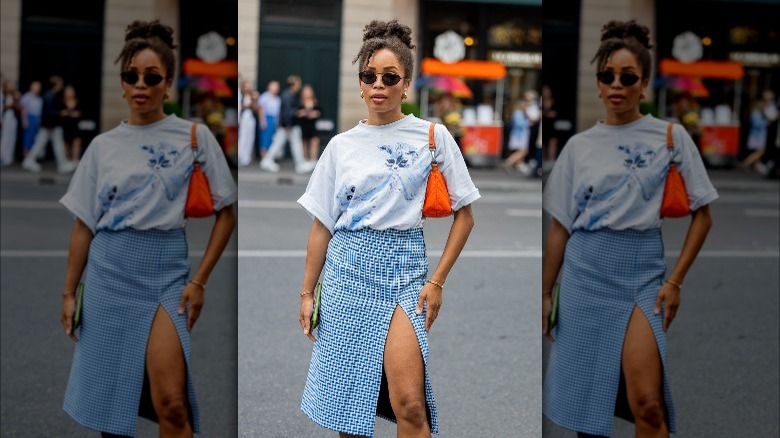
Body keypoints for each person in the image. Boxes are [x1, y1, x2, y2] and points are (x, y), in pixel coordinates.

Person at [297, 19, 479, 437]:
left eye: (390, 77)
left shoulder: (432, 137)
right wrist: (307, 292)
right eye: (369, 76)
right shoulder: (340, 147)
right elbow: (321, 225)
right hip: (347, 276)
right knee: (349, 413)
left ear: (407, 83)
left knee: (411, 406)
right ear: (360, 83)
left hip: (405, 275)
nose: (379, 84)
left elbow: (465, 215)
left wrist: (437, 281)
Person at [59, 20, 237, 437]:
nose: (140, 84)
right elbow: (84, 225)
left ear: (169, 83)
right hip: (107, 275)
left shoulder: (194, 136)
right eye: (131, 75)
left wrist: (200, 281)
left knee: (172, 403)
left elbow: (226, 212)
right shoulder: (102, 147)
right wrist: (69, 292)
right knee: (110, 407)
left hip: (165, 274)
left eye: (152, 77)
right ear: (122, 82)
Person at [541, 20, 717, 438]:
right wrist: (545, 292)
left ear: (644, 84)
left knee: (649, 405)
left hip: (642, 274)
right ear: (598, 83)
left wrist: (675, 281)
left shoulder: (671, 137)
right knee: (587, 413)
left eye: (627, 77)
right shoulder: (579, 147)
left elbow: (704, 214)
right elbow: (559, 229)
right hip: (585, 276)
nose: (616, 85)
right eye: (607, 76)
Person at [259, 75, 315, 173]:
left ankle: (298, 163)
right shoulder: (288, 95)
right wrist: (293, 118)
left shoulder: (290, 95)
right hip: (289, 125)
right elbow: (286, 112)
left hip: (289, 125)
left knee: (285, 143)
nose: (299, 85)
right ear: (293, 84)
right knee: (286, 144)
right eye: (298, 83)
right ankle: (268, 160)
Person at [22, 75, 77, 173]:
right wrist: (60, 113)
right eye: (60, 83)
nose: (61, 85)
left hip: (51, 125)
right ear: (55, 84)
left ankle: (61, 163)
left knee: (50, 143)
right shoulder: (49, 95)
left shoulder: (51, 95)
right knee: (44, 143)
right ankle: (30, 160)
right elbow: (47, 112)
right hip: (50, 125)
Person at [296, 84, 322, 161]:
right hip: (303, 125)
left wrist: (315, 114)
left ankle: (313, 159)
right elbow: (297, 113)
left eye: (309, 92)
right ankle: (304, 160)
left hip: (312, 125)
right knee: (304, 143)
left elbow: (320, 112)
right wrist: (302, 113)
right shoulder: (300, 102)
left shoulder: (315, 102)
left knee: (314, 141)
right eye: (306, 92)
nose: (307, 94)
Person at [504, 99, 531, 174]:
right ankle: (509, 161)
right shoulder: (518, 113)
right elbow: (519, 124)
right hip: (519, 135)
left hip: (521, 135)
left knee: (520, 151)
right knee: (523, 151)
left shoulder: (521, 113)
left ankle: (518, 165)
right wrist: (527, 121)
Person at [258, 80, 281, 159]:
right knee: (265, 138)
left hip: (274, 119)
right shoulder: (264, 96)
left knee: (272, 138)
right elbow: (261, 109)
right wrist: (262, 121)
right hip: (267, 118)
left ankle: (269, 157)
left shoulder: (277, 98)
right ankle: (264, 156)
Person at [60, 84, 83, 161]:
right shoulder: (62, 102)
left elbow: (81, 112)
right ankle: (67, 160)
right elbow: (59, 113)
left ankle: (75, 159)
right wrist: (64, 113)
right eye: (68, 92)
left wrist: (76, 114)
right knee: (66, 143)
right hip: (66, 125)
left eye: (71, 92)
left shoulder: (77, 101)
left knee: (77, 142)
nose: (69, 93)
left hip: (75, 125)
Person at [1, 79, 21, 167]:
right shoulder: (3, 94)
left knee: (12, 137)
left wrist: (15, 101)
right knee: (5, 138)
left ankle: (8, 158)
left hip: (12, 117)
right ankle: (3, 157)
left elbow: (18, 107)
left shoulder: (14, 95)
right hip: (6, 117)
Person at [237, 78, 257, 166]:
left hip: (250, 118)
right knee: (243, 138)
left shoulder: (252, 96)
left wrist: (254, 101)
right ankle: (240, 156)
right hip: (244, 117)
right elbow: (240, 107)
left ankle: (246, 158)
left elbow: (256, 108)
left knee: (250, 137)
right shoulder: (241, 95)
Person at [20, 80, 43, 155]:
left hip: (36, 118)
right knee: (28, 138)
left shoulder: (39, 98)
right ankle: (26, 156)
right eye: (36, 86)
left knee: (34, 138)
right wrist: (24, 120)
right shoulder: (27, 96)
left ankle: (31, 157)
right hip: (29, 117)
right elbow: (23, 109)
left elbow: (39, 112)